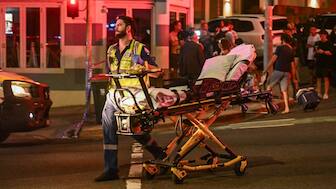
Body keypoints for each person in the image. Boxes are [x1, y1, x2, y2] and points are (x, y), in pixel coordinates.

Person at [95, 15, 166, 182]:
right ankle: (111, 169)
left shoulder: (139, 49)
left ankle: (159, 153)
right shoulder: (111, 50)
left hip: (134, 97)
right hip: (114, 95)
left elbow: (157, 70)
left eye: (119, 25)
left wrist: (146, 70)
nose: (115, 27)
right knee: (108, 129)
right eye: (116, 24)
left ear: (128, 29)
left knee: (134, 129)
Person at [264, 34, 295, 114]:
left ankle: (270, 105)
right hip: (287, 72)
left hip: (278, 70)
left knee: (269, 86)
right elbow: (292, 65)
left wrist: (266, 69)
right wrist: (293, 76)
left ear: (283, 40)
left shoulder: (280, 48)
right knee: (284, 90)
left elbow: (273, 59)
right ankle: (287, 108)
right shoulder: (291, 49)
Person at [314, 30, 333, 99]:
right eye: (320, 35)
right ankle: (319, 92)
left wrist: (323, 52)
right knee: (318, 78)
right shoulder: (318, 43)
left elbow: (330, 53)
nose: (321, 37)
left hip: (326, 63)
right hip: (318, 63)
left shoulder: (329, 43)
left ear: (325, 35)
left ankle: (326, 93)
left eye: (322, 35)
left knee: (326, 78)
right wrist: (316, 52)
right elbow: (315, 52)